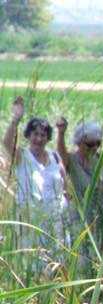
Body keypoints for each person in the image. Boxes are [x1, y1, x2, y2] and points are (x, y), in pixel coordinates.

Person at [2, 96, 70, 271]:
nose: (39, 138)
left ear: (48, 138)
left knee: (57, 263)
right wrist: (15, 120)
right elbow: (7, 144)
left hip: (55, 220)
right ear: (28, 135)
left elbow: (65, 186)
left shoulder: (54, 157)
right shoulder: (22, 156)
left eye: (43, 134)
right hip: (30, 220)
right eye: (35, 134)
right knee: (33, 264)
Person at [56, 118, 103, 245]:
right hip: (79, 218)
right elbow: (61, 156)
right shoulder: (72, 161)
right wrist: (61, 134)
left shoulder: (98, 161)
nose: (94, 147)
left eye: (98, 143)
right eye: (90, 144)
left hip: (99, 218)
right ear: (79, 142)